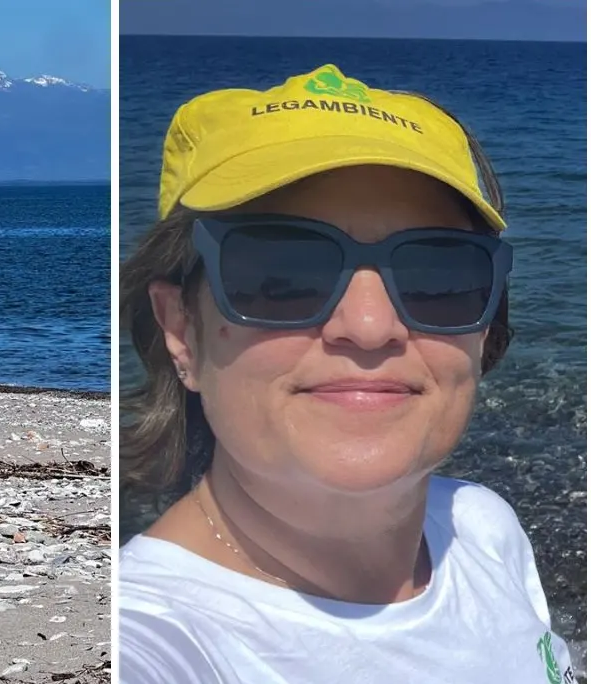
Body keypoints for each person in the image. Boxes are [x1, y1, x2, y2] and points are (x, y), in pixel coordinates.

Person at [117, 64, 575, 683]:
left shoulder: (482, 528)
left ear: (486, 323)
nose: (367, 325)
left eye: (437, 275)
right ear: (180, 331)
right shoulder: (147, 639)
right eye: (280, 273)